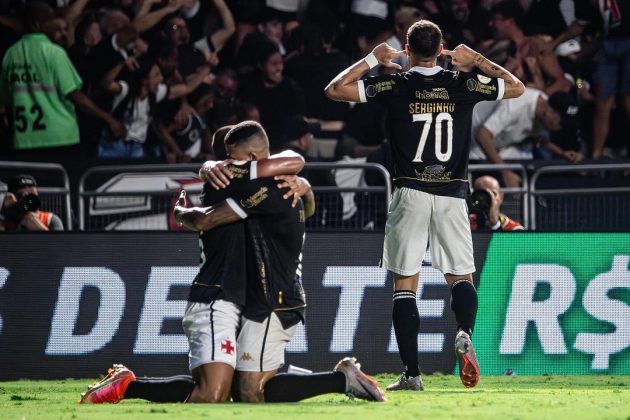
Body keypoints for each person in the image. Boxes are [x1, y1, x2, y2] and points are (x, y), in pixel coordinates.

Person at [79, 121, 384, 404]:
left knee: (244, 390)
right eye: (222, 158)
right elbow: (296, 177)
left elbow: (207, 218)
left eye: (230, 158)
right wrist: (207, 171)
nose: (226, 164)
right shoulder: (259, 183)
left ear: (250, 157)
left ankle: (340, 380)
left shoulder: (263, 186)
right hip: (225, 296)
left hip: (271, 298)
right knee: (229, 391)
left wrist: (184, 204)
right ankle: (127, 385)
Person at [325, 19, 525, 390]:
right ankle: (464, 330)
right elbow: (517, 87)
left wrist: (372, 58)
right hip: (451, 193)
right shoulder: (462, 83)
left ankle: (413, 375)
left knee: (405, 286)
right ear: (442, 47)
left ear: (406, 47)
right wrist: (476, 58)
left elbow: (335, 90)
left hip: (409, 193)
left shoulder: (395, 83)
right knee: (460, 277)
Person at [0, 1, 125, 158]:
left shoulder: (10, 54)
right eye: (52, 22)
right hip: (59, 138)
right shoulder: (53, 52)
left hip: (24, 139)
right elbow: (75, 95)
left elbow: (5, 98)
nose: (59, 29)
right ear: (38, 24)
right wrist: (109, 119)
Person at [470, 88, 582, 188]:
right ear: (550, 112)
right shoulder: (517, 103)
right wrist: (505, 172)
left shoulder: (544, 108)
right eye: (561, 123)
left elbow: (536, 138)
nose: (560, 128)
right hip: (467, 142)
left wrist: (562, 153)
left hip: (494, 145)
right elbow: (482, 135)